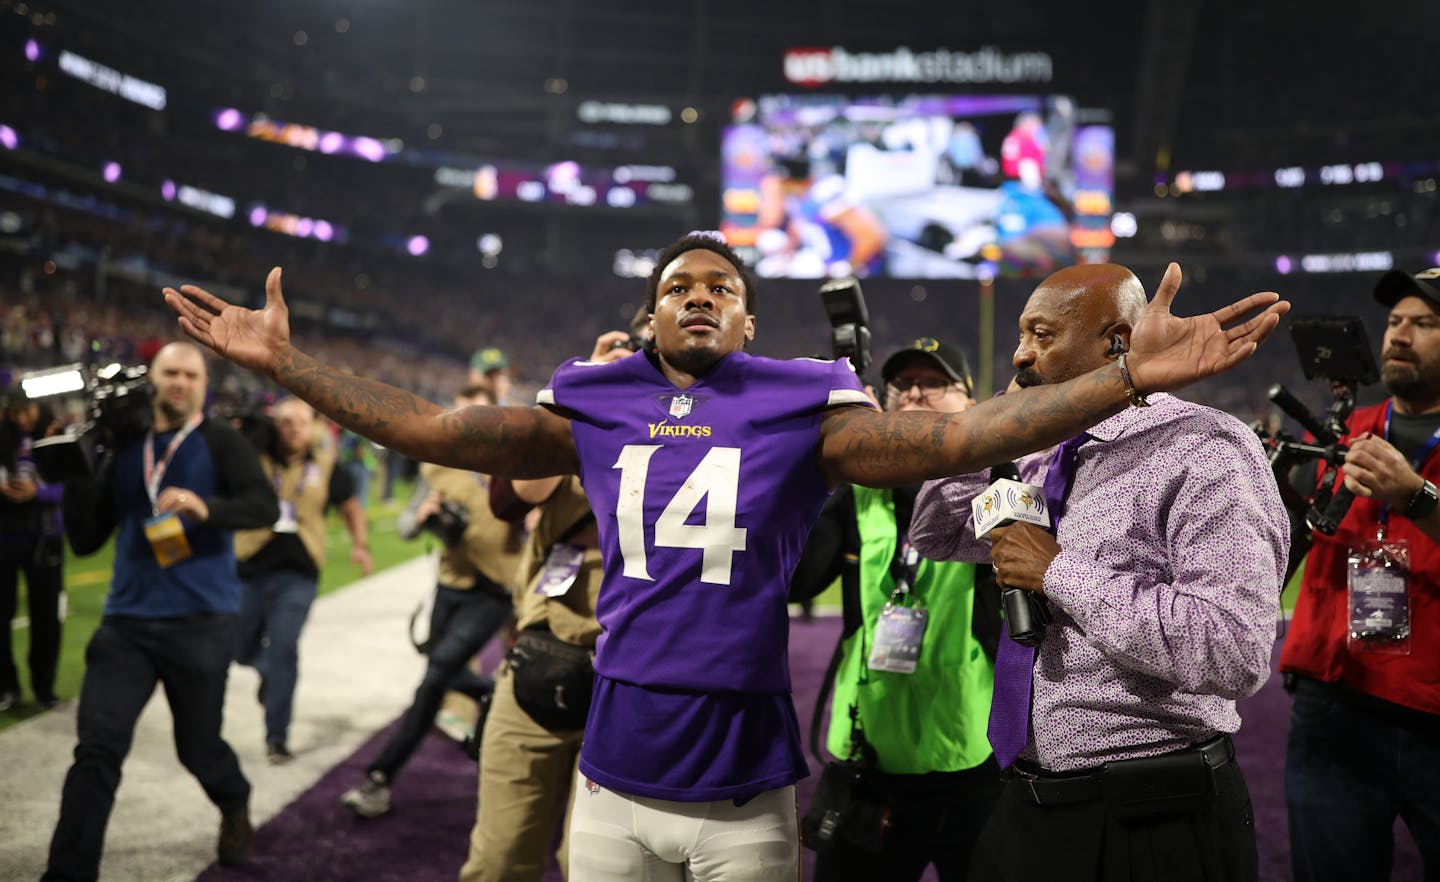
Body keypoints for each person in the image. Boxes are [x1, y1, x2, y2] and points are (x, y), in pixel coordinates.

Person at [164, 234, 1286, 880]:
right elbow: (429, 429)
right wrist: (287, 366)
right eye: (677, 287)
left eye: (724, 288)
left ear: (751, 326)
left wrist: (1131, 378)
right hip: (612, 763)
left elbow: (959, 436)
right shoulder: (594, 400)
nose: (700, 294)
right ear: (650, 317)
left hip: (746, 778)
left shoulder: (804, 404)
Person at [908, 263, 1288, 882]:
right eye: (1020, 336)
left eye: (1042, 335)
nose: (1020, 354)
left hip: (1154, 813)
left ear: (1115, 342)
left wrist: (1060, 572)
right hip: (1029, 801)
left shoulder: (1205, 449)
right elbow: (935, 531)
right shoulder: (1036, 450)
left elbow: (1233, 651)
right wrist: (996, 425)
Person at [42, 342, 279, 881]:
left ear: (204, 384)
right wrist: (80, 466)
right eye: (170, 372)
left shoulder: (221, 440)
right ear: (153, 379)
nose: (179, 382)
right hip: (126, 623)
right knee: (96, 753)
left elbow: (263, 505)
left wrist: (206, 507)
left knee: (197, 749)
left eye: (190, 374)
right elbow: (84, 541)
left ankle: (234, 797)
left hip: (202, 622)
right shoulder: (126, 444)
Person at [789, 336, 1001, 882]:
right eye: (903, 385)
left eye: (935, 383)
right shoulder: (854, 494)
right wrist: (821, 468)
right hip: (869, 763)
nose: (915, 394)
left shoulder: (1002, 484)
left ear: (970, 405)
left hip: (977, 762)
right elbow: (797, 581)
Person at [1279, 267, 1440, 882]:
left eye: (1424, 324)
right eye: (1395, 322)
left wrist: (1416, 495)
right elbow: (1297, 537)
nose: (1400, 335)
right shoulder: (1344, 433)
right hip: (1336, 706)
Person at [459, 330, 629, 882]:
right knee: (499, 860)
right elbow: (509, 499)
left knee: (594, 868)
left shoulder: (698, 435)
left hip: (632, 678)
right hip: (540, 655)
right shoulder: (575, 424)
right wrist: (576, 394)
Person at [339, 383, 522, 819]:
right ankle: (492, 693)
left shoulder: (516, 465)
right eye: (462, 418)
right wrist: (422, 517)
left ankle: (379, 777)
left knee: (433, 679)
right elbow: (404, 527)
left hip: (495, 591)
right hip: (449, 586)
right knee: (439, 675)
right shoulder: (439, 468)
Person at [232, 396, 372, 764]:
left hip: (298, 574)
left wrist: (360, 545)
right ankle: (269, 673)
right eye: (286, 422)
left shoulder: (326, 466)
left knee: (284, 648)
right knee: (239, 647)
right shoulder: (252, 459)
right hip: (248, 567)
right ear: (274, 425)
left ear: (314, 428)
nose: (295, 429)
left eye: (302, 422)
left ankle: (276, 736)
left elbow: (351, 507)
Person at [0, 394, 63, 711]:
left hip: (44, 537)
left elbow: (70, 484)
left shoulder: (55, 436)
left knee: (46, 617)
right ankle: (6, 688)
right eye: (15, 413)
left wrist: (38, 491)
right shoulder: (3, 438)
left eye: (27, 411)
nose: (22, 418)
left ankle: (44, 688)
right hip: (6, 535)